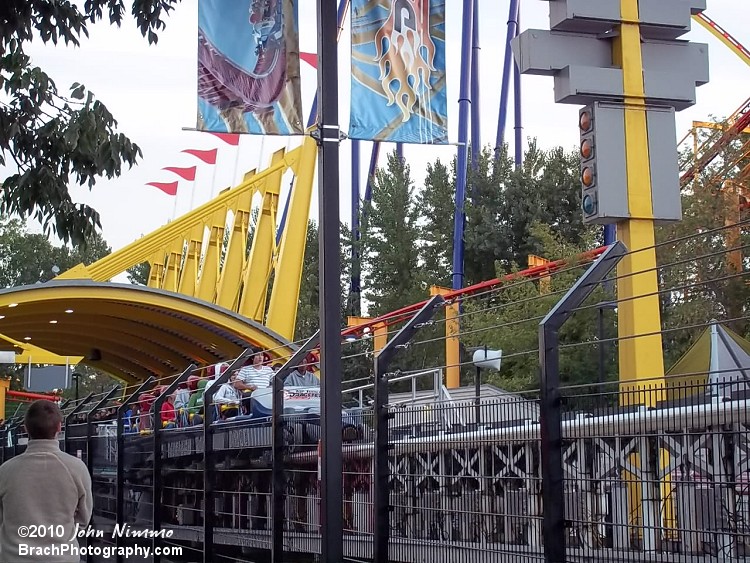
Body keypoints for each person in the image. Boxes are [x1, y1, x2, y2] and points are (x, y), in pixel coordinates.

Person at [0, 400, 92, 563]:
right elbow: (83, 519)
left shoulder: (6, 470)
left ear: (25, 428)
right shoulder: (77, 468)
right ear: (59, 427)